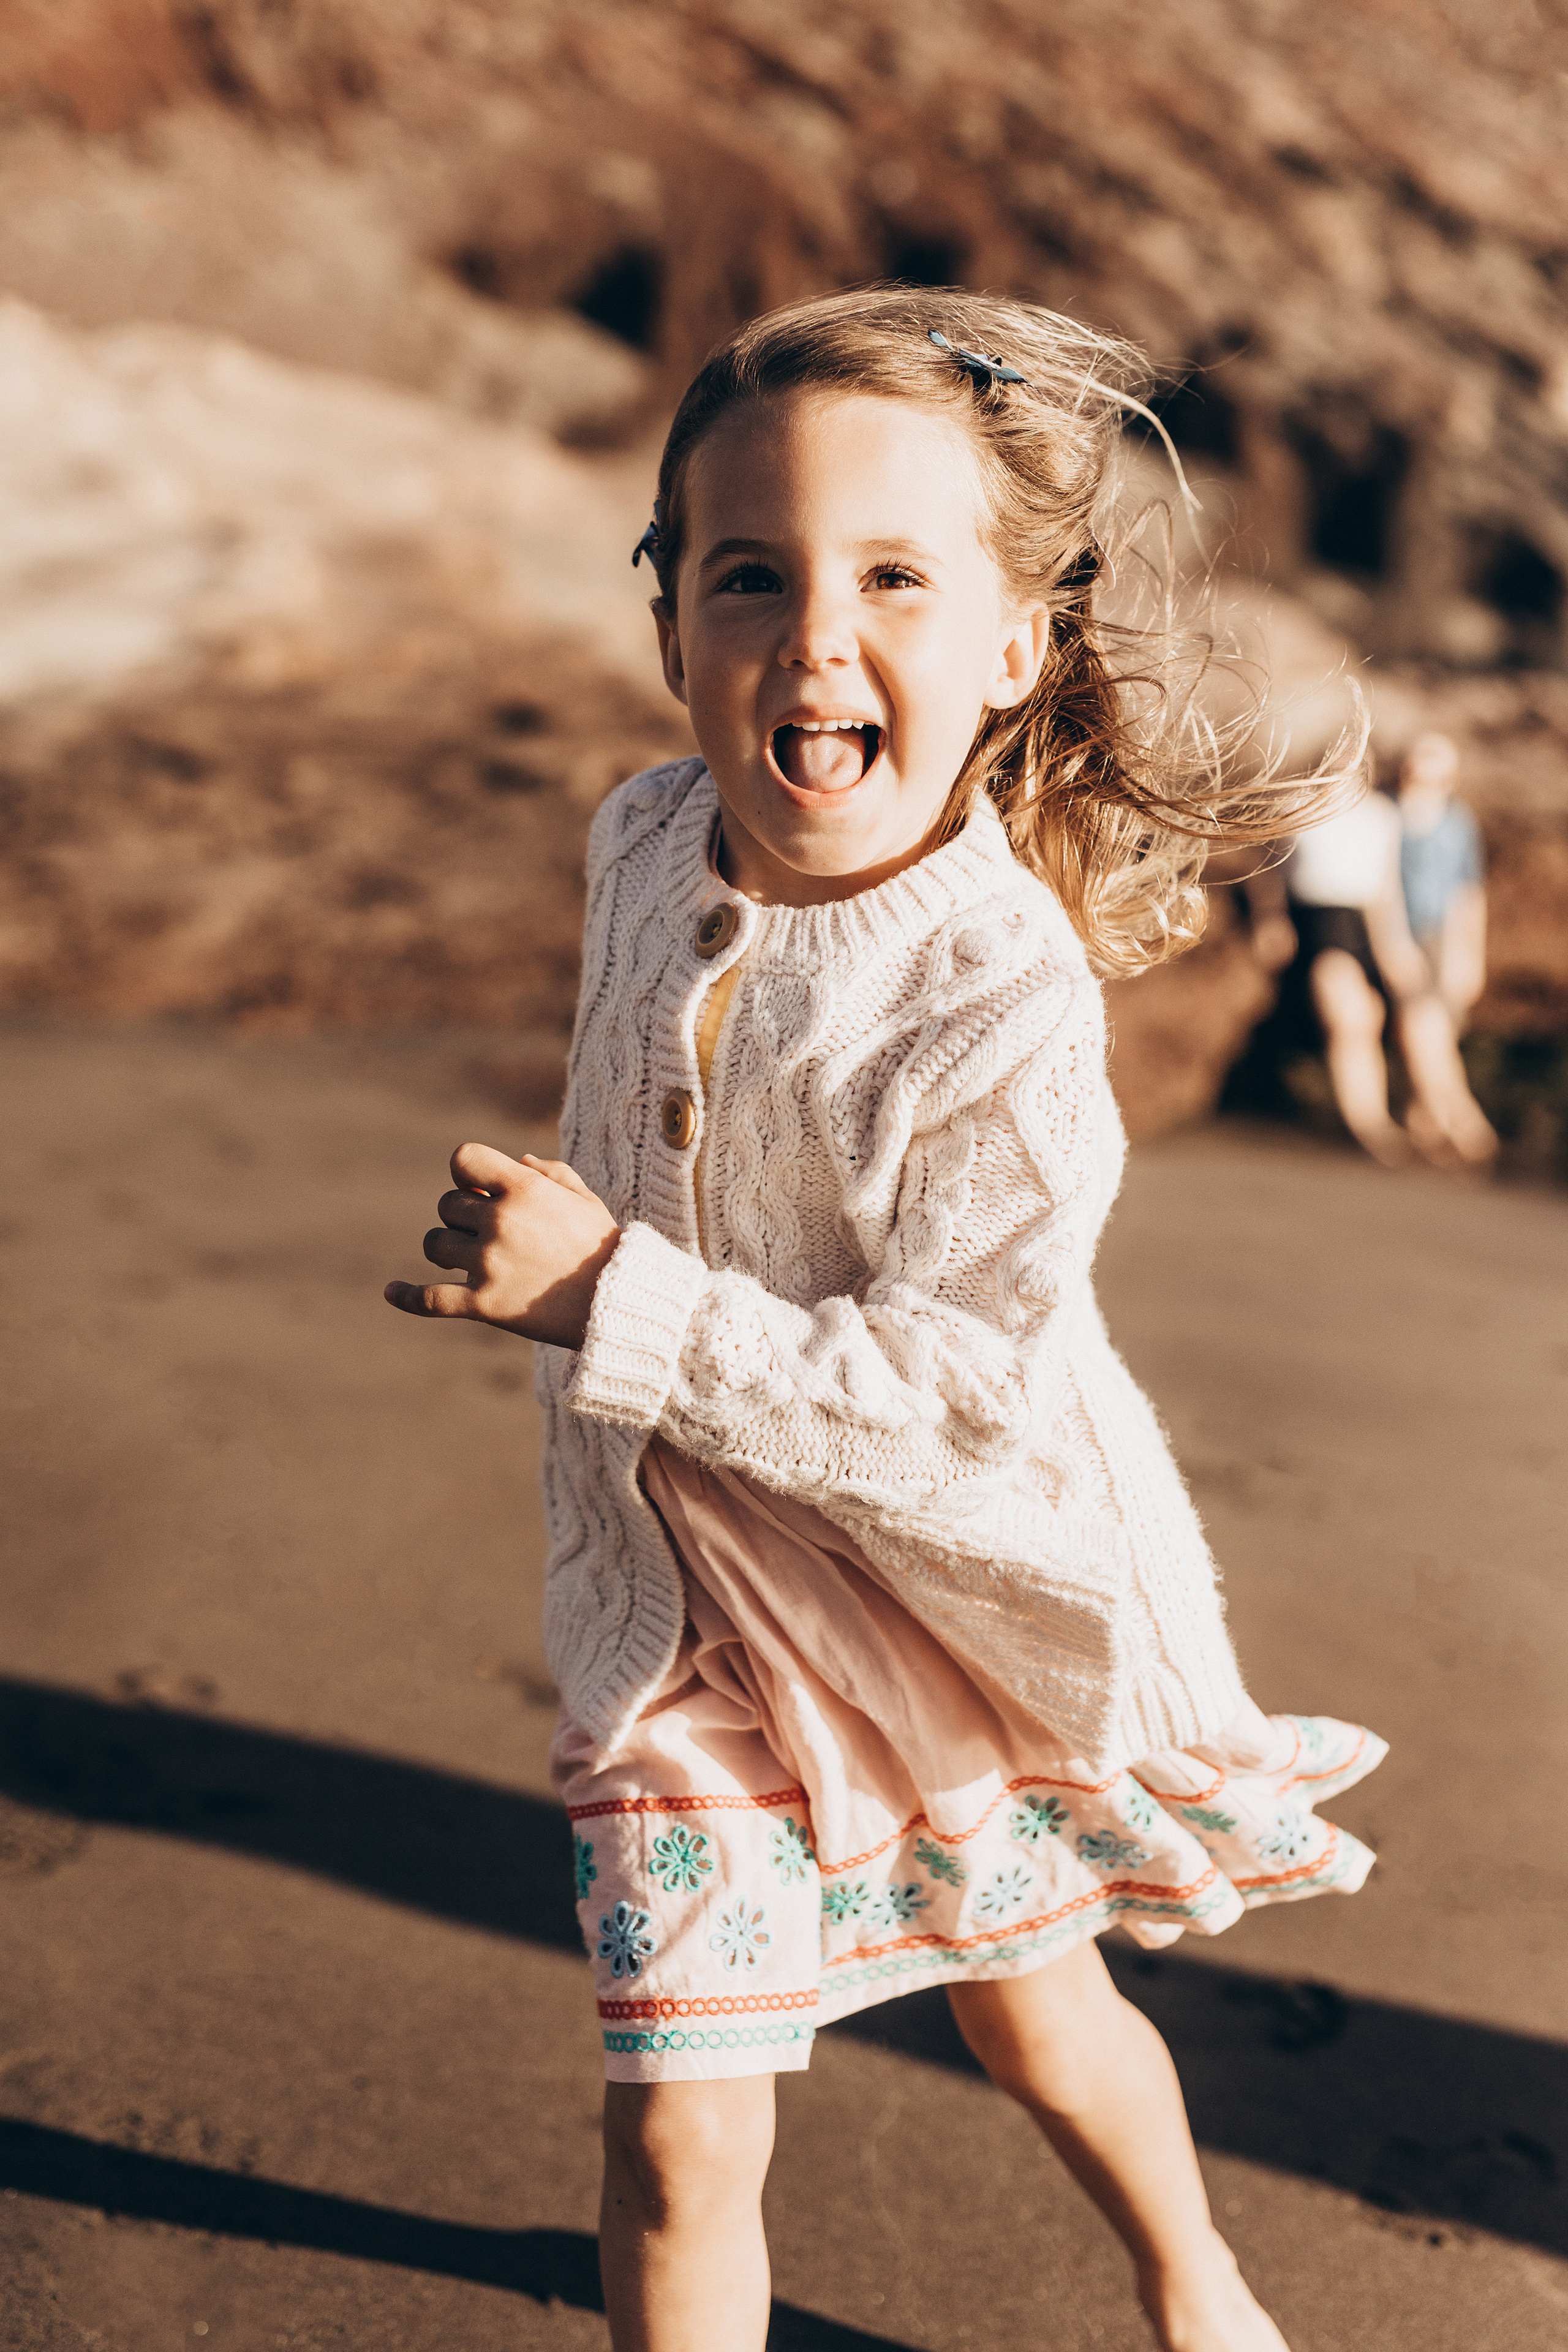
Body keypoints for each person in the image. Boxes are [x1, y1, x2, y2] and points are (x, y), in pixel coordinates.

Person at [385, 291, 1386, 2352]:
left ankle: (1194, 2279)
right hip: (680, 1624)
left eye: (896, 579)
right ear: (674, 628)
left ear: (1015, 646)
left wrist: (606, 1292)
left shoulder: (1004, 1001)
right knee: (678, 2138)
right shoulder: (643, 838)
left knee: (1041, 2025)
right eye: (750, 575)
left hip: (939, 1603)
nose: (815, 635)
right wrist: (565, 1241)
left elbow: (962, 1397)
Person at [1396, 731, 1496, 1165]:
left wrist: (1470, 955)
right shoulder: (1387, 815)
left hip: (1441, 937)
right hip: (1396, 933)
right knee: (1421, 1032)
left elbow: (1469, 894)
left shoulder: (1458, 824)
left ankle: (1449, 1128)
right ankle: (1457, 1126)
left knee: (1429, 1034)